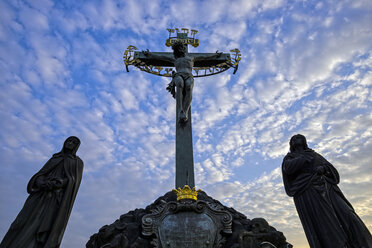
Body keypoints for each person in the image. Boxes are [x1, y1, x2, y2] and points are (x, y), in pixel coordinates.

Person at [282, 134, 372, 248]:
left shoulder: (314, 154)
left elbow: (331, 169)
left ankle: (363, 244)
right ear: (292, 143)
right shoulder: (290, 157)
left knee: (349, 215)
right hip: (310, 192)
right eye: (294, 138)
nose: (297, 139)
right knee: (326, 224)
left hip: (329, 189)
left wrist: (324, 169)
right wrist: (302, 159)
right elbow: (288, 169)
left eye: (300, 137)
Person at [0, 136, 84, 248]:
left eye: (73, 142)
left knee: (39, 224)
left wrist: (59, 182)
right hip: (39, 194)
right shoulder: (55, 158)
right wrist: (40, 181)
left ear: (76, 146)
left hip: (54, 199)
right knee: (20, 222)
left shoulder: (77, 162)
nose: (70, 143)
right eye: (68, 141)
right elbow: (41, 173)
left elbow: (73, 180)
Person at [143, 40, 221, 123]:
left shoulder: (191, 58)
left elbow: (205, 57)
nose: (179, 50)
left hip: (189, 75)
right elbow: (161, 57)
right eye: (177, 49)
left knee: (189, 87)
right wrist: (150, 55)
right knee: (179, 84)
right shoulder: (174, 58)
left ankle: (185, 112)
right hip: (179, 74)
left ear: (183, 49)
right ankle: (180, 110)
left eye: (180, 48)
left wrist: (215, 55)